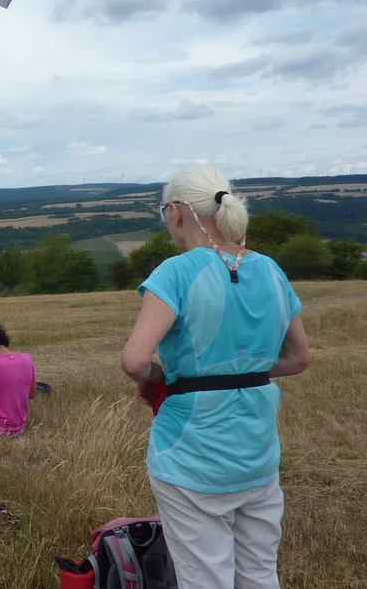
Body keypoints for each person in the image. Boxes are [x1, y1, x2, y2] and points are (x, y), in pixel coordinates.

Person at [121, 167, 310, 589]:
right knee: (260, 574)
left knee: (205, 576)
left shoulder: (175, 272)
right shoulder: (270, 269)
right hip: (258, 453)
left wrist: (161, 376)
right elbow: (298, 358)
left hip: (191, 453)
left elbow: (135, 361)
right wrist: (242, 371)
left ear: (175, 213)